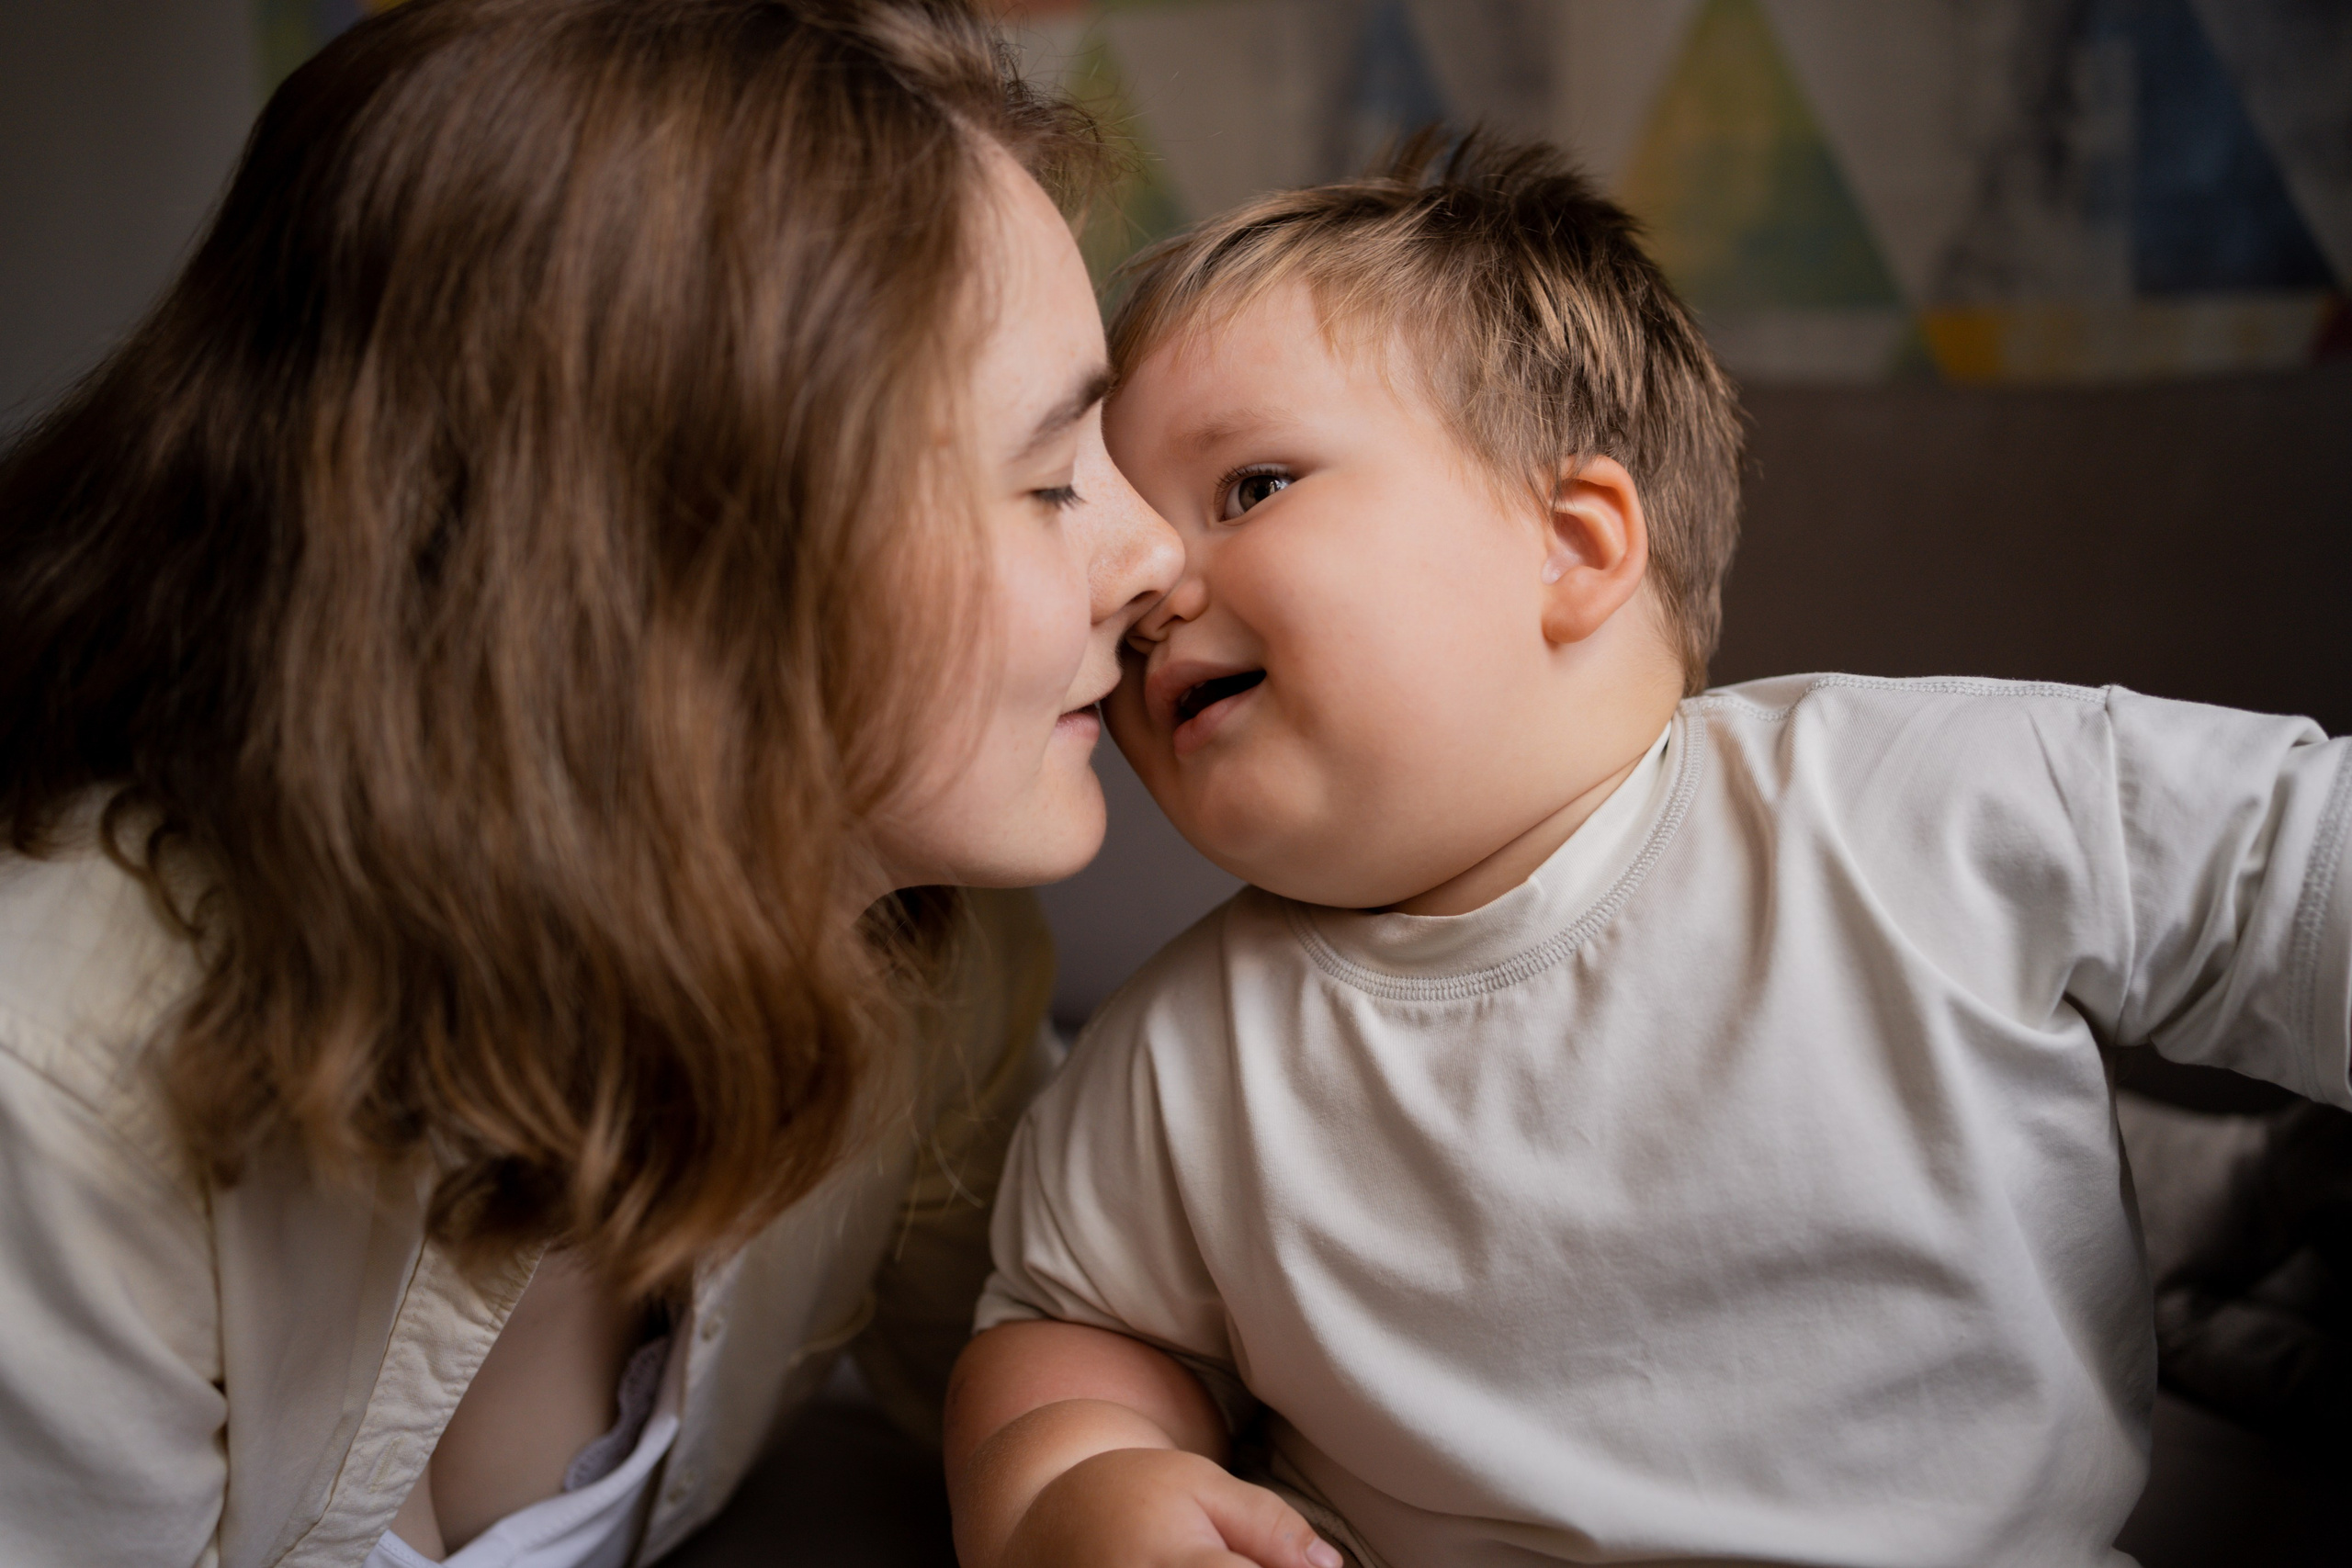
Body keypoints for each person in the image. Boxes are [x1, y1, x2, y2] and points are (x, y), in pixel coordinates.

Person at [943, 134, 2352, 1568]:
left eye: (1247, 489)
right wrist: (1073, 1486)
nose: (1150, 583)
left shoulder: (1920, 804)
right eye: (1103, 519)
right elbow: (1074, 1332)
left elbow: (2301, 877)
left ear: (1572, 541)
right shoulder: (1180, 1058)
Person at [0, 2, 1179, 1564]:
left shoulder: (921, 960)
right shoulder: (63, 1090)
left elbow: (1067, 1388)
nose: (1158, 555)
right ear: (678, 575)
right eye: (1046, 483)